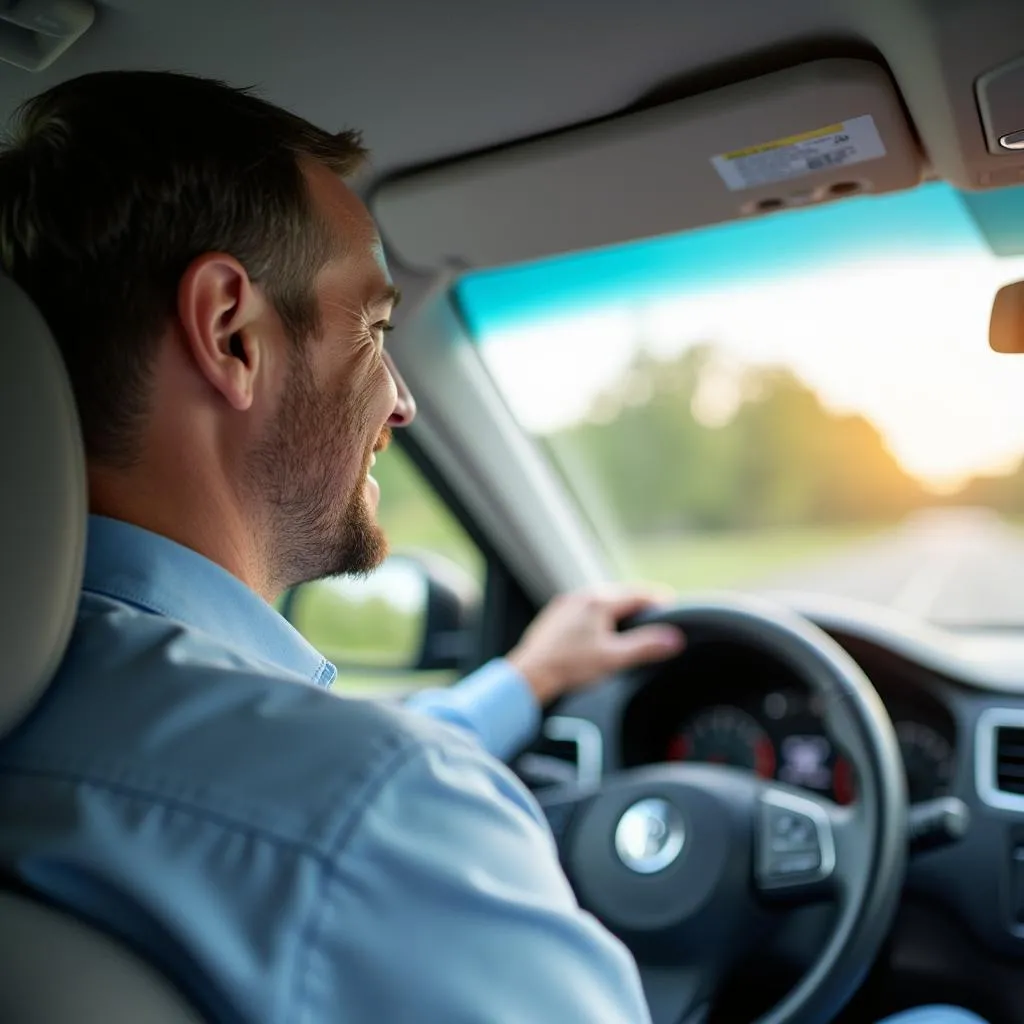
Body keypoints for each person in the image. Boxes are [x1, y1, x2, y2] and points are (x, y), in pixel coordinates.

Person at [0, 70, 986, 1024]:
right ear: (232, 335)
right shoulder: (379, 815)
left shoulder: (60, 715)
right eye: (375, 328)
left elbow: (245, 793)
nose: (403, 399)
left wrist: (524, 678)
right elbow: (335, 803)